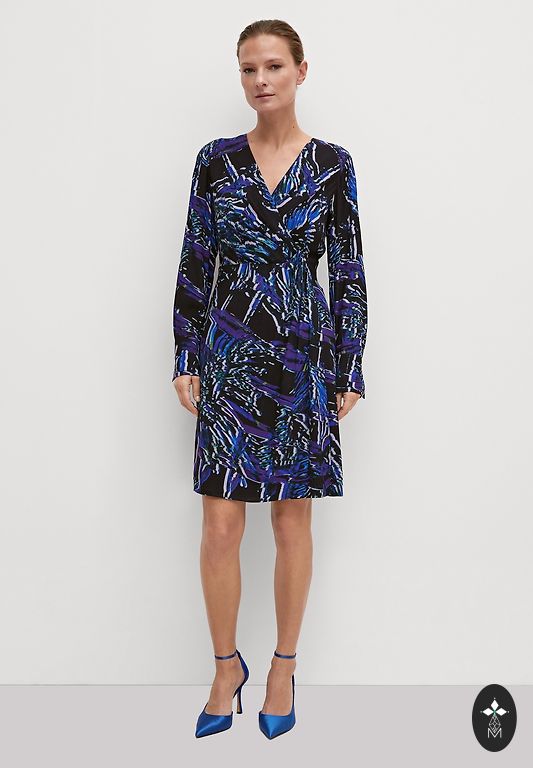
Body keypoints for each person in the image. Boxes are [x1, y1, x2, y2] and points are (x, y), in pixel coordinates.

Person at [171, 19, 368, 739]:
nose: (261, 80)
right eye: (249, 68)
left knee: (291, 520)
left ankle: (283, 665)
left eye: (274, 66)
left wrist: (350, 364)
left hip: (303, 360)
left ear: (300, 71)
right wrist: (185, 353)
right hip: (228, 354)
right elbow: (196, 259)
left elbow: (347, 270)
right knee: (220, 525)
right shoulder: (216, 162)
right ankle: (226, 666)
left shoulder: (333, 165)